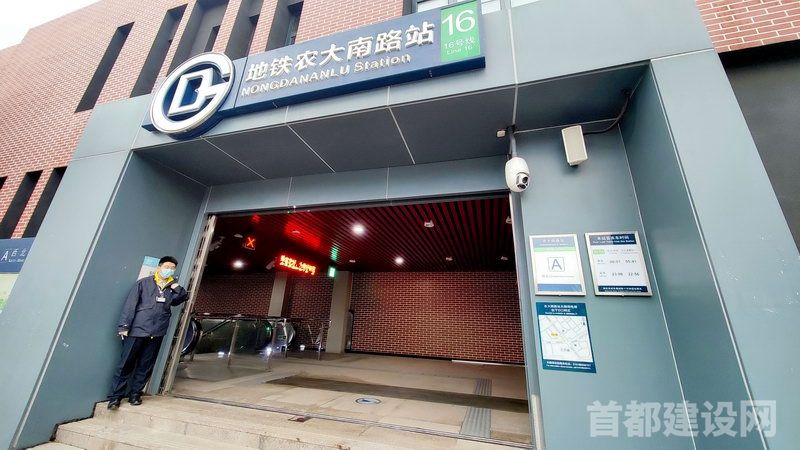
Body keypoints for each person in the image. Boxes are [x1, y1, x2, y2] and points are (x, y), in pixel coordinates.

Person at [107, 256, 189, 409]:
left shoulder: (171, 288)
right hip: (137, 330)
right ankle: (115, 397)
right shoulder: (143, 283)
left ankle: (135, 394)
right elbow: (130, 305)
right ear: (159, 267)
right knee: (125, 364)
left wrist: (176, 286)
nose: (169, 270)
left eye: (172, 268)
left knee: (145, 365)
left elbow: (182, 297)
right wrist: (124, 326)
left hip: (157, 332)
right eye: (167, 267)